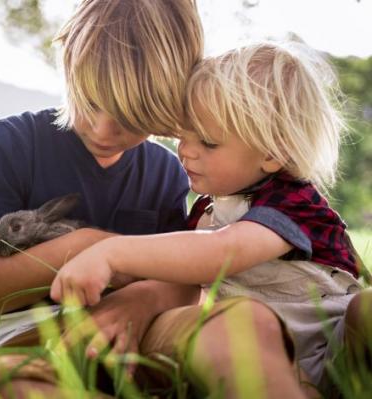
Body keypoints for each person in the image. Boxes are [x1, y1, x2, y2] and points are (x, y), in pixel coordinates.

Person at [51, 42, 370, 398]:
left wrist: (112, 253)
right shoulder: (207, 211)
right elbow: (186, 277)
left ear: (272, 152)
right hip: (264, 353)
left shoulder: (292, 200)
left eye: (206, 141)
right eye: (183, 134)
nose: (185, 150)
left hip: (338, 346)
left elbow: (223, 251)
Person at [0, 0, 204, 396]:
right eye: (88, 102)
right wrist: (90, 247)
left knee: (231, 328)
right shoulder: (12, 143)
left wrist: (140, 298)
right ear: (68, 63)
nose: (102, 129)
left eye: (129, 118)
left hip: (136, 332)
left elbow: (188, 281)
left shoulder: (166, 172)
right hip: (37, 342)